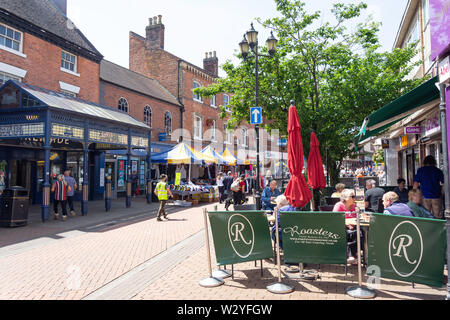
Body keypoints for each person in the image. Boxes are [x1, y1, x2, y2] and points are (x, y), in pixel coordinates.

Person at [332, 189, 360, 264]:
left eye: (355, 196)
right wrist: (347, 224)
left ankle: (360, 255)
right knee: (352, 233)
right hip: (340, 228)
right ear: (345, 197)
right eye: (353, 196)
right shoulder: (339, 205)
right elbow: (335, 219)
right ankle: (351, 255)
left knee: (361, 232)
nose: (355, 198)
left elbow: (357, 217)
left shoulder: (354, 206)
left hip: (353, 226)